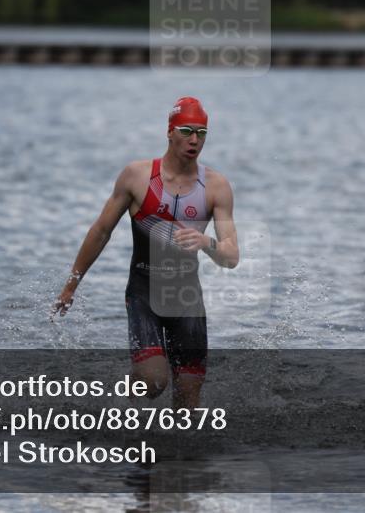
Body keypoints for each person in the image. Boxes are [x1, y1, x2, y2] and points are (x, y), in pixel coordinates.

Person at [52, 96, 239, 408]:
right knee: (153, 383)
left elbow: (232, 256)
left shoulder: (216, 187)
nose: (194, 140)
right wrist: (71, 285)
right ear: (169, 132)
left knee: (188, 405)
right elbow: (101, 232)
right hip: (144, 292)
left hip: (186, 298)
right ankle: (113, 403)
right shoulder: (137, 177)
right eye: (186, 131)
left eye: (202, 133)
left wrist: (208, 244)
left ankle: (175, 455)